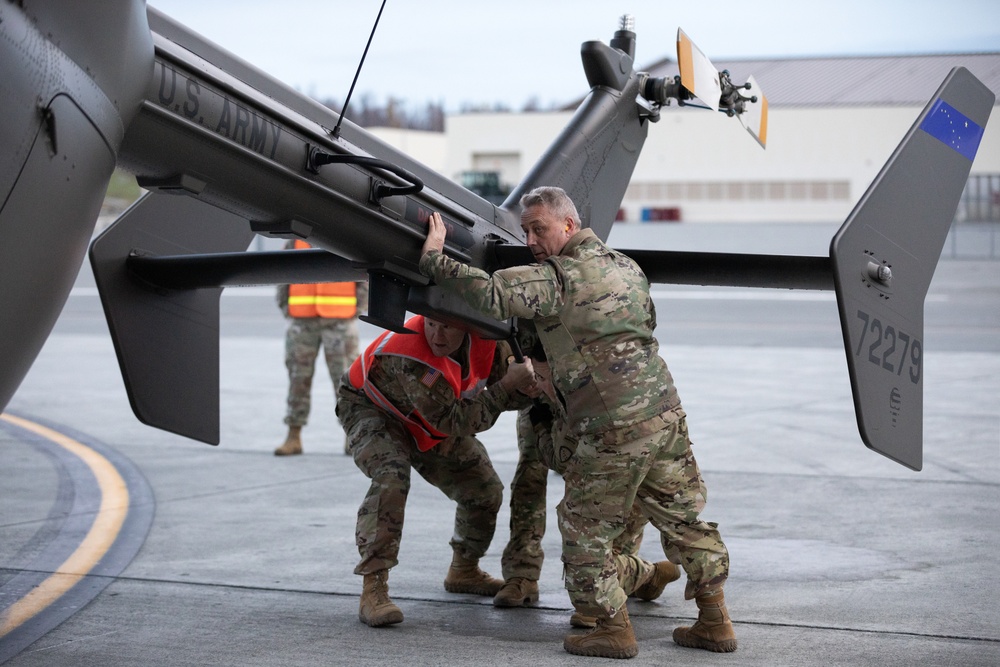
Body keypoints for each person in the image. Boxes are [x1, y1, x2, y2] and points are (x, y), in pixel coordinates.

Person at [420, 186, 736, 657]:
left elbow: (490, 295)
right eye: (526, 230)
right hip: (664, 415)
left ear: (568, 225)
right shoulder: (627, 267)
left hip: (610, 427)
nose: (530, 239)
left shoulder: (556, 277)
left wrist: (433, 259)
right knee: (684, 520)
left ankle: (611, 628)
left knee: (584, 531)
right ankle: (715, 620)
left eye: (539, 228)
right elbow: (646, 322)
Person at [336, 314, 536, 628]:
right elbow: (459, 421)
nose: (437, 336)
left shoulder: (488, 341)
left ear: (467, 327)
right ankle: (373, 590)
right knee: (391, 475)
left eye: (447, 327)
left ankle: (464, 570)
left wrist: (528, 385)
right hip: (374, 409)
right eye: (431, 324)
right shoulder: (409, 355)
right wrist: (510, 386)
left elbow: (497, 392)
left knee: (484, 489)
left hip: (427, 418)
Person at [493, 334, 682, 628]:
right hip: (542, 382)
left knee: (615, 477)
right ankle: (522, 575)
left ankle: (617, 574)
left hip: (589, 386)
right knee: (530, 478)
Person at [275, 239, 368, 456]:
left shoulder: (346, 239)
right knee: (298, 379)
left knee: (346, 381)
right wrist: (286, 307)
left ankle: (351, 435)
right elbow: (282, 274)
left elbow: (363, 276)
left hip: (340, 322)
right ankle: (293, 435)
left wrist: (357, 309)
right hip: (302, 322)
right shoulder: (295, 243)